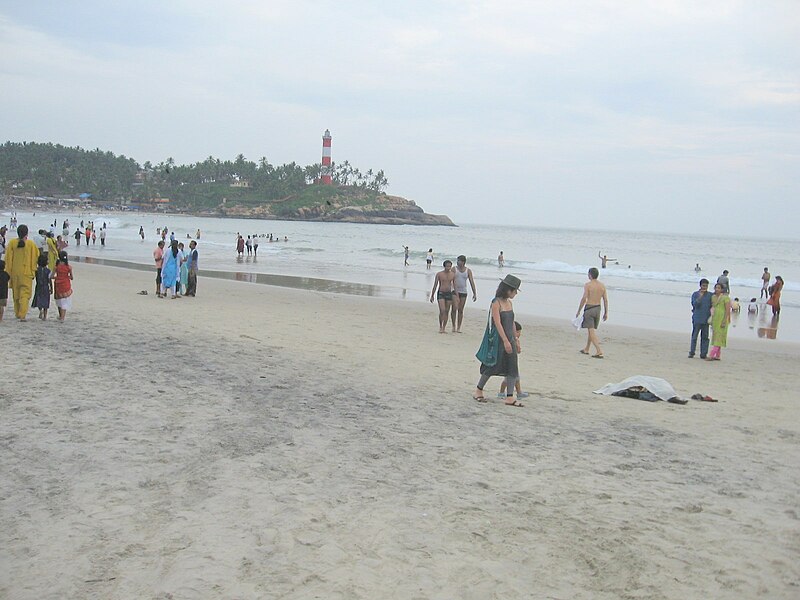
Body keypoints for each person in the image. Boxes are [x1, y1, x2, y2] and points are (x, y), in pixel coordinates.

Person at [473, 274, 523, 407]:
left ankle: (510, 397)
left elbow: (511, 322)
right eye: (515, 290)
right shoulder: (496, 303)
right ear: (508, 290)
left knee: (513, 368)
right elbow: (497, 323)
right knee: (492, 366)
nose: (516, 293)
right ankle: (478, 390)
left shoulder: (509, 303)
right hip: (499, 341)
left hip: (510, 339)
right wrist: (505, 341)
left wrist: (515, 340)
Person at [4, 224, 39, 320]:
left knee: (16, 294)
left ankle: (17, 313)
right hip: (27, 273)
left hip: (15, 272)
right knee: (25, 294)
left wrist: (8, 271)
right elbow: (36, 257)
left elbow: (8, 259)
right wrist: (33, 270)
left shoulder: (12, 243)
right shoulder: (31, 244)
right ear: (26, 233)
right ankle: (22, 314)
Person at [576, 267, 609, 358]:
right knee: (591, 330)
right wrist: (606, 312)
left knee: (591, 331)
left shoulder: (588, 285)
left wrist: (578, 310)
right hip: (598, 308)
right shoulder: (602, 286)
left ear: (590, 275)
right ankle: (587, 348)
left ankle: (599, 350)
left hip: (590, 308)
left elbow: (584, 298)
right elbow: (605, 300)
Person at [497, 321, 529, 400]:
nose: (519, 334)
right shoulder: (510, 340)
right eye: (517, 332)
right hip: (509, 362)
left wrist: (518, 345)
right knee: (508, 379)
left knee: (515, 378)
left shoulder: (516, 340)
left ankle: (518, 392)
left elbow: (518, 351)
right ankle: (502, 392)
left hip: (514, 362)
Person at [451, 255, 477, 333]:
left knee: (461, 310)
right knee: (454, 308)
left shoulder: (468, 271)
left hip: (463, 291)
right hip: (454, 291)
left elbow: (471, 282)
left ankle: (459, 327)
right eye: (457, 260)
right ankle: (453, 326)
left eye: (459, 261)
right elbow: (450, 279)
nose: (458, 262)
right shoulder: (454, 269)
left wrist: (474, 293)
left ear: (463, 262)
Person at [429, 260, 456, 333]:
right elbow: (435, 285)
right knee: (442, 310)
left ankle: (444, 327)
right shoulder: (439, 274)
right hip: (441, 293)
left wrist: (456, 296)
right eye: (447, 266)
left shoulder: (453, 274)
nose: (448, 268)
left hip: (449, 293)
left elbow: (455, 286)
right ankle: (440, 326)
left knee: (447, 311)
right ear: (444, 266)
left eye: (450, 266)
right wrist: (432, 295)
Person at [689, 278, 712, 359]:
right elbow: (695, 305)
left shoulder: (710, 295)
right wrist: (700, 297)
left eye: (706, 286)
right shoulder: (695, 294)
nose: (704, 287)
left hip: (706, 319)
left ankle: (703, 353)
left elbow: (713, 305)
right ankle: (692, 352)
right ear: (700, 285)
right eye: (703, 286)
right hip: (697, 318)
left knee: (705, 337)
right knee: (694, 336)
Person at [708, 283, 731, 360]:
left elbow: (728, 310)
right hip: (715, 318)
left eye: (719, 288)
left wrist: (724, 320)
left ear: (722, 289)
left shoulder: (725, 298)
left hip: (722, 318)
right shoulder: (713, 297)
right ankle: (717, 355)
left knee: (719, 336)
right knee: (716, 335)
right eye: (716, 288)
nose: (717, 289)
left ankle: (711, 355)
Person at [51, 251, 73, 321]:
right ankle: (62, 317)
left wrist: (57, 277)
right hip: (66, 284)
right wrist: (67, 277)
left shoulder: (56, 267)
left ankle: (60, 315)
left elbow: (51, 276)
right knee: (64, 301)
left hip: (58, 284)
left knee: (59, 300)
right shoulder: (69, 267)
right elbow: (72, 277)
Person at [31, 254, 52, 320]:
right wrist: (51, 288)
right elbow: (49, 280)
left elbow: (33, 277)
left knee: (39, 299)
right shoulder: (48, 271)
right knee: (46, 301)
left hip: (38, 287)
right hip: (45, 287)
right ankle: (45, 316)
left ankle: (40, 311)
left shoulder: (37, 270)